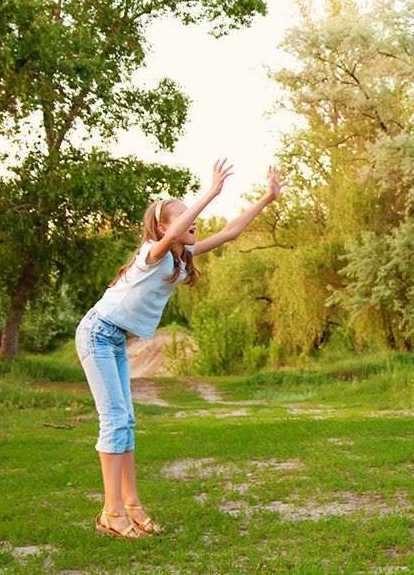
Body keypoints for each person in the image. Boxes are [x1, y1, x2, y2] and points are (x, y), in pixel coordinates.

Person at [76, 160, 282, 538]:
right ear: (162, 228)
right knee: (115, 420)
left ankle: (133, 507)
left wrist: (267, 198)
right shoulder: (151, 253)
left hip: (114, 339)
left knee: (126, 422)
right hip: (96, 334)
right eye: (185, 216)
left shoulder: (179, 261)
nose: (194, 220)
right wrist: (211, 191)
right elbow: (174, 233)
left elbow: (230, 232)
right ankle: (111, 513)